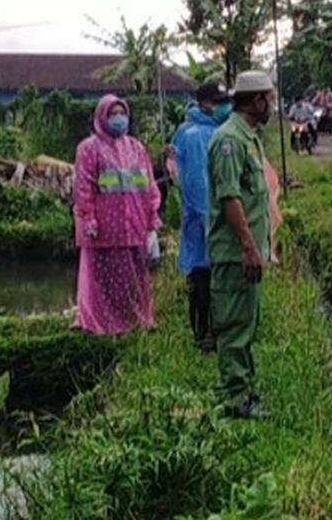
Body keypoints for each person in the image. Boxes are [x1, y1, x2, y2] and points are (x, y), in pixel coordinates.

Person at [207, 70, 273, 419]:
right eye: (269, 98)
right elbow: (230, 198)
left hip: (247, 253)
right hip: (235, 254)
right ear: (257, 101)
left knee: (246, 323)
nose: (272, 105)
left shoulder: (248, 138)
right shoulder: (229, 141)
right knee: (234, 327)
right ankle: (235, 399)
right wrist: (248, 247)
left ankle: (244, 388)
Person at [71, 95, 162, 335]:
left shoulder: (136, 148)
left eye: (122, 113)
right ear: (102, 117)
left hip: (134, 226)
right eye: (113, 114)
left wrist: (152, 222)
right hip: (103, 229)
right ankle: (99, 323)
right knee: (101, 281)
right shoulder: (89, 149)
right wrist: (88, 219)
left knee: (133, 280)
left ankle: (134, 322)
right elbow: (83, 187)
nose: (119, 119)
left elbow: (149, 186)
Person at [171, 81, 233, 350]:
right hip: (205, 221)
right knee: (204, 278)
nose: (225, 107)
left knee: (210, 276)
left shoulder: (211, 130)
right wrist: (212, 222)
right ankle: (205, 334)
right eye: (219, 102)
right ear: (205, 104)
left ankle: (212, 330)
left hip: (211, 218)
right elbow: (198, 184)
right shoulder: (196, 135)